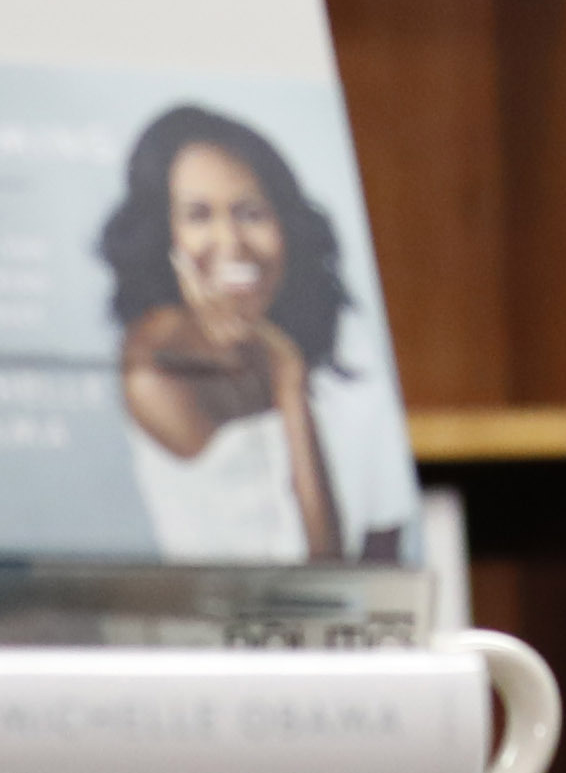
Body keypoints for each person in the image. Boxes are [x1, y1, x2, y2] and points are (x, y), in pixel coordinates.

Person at [104, 106, 390, 562]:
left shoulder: (313, 329)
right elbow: (317, 573)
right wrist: (288, 383)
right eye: (198, 216)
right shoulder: (156, 365)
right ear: (166, 236)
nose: (231, 243)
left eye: (251, 212)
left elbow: (385, 535)